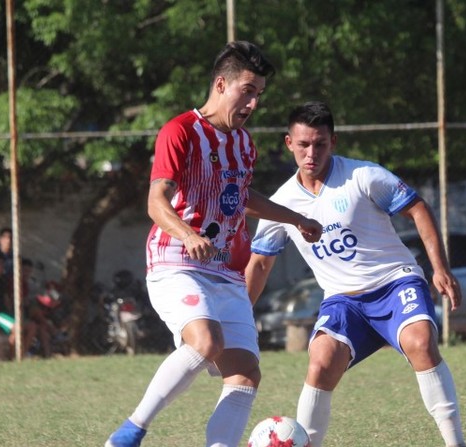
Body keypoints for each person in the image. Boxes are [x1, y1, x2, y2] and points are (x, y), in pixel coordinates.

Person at [104, 41, 322, 447]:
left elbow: (242, 196)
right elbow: (156, 201)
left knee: (244, 375)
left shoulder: (244, 144)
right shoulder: (180, 131)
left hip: (225, 271)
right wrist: (188, 234)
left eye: (259, 94)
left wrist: (297, 219)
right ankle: (130, 432)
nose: (254, 103)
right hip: (177, 262)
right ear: (221, 84)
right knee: (205, 342)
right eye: (248, 91)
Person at [246, 101, 466, 447]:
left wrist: (440, 267)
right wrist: (241, 319)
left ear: (333, 142)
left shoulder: (363, 176)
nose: (311, 153)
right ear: (289, 144)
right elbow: (259, 264)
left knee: (421, 343)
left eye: (320, 144)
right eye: (303, 144)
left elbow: (418, 209)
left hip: (395, 282)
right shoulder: (280, 203)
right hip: (343, 302)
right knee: (320, 361)